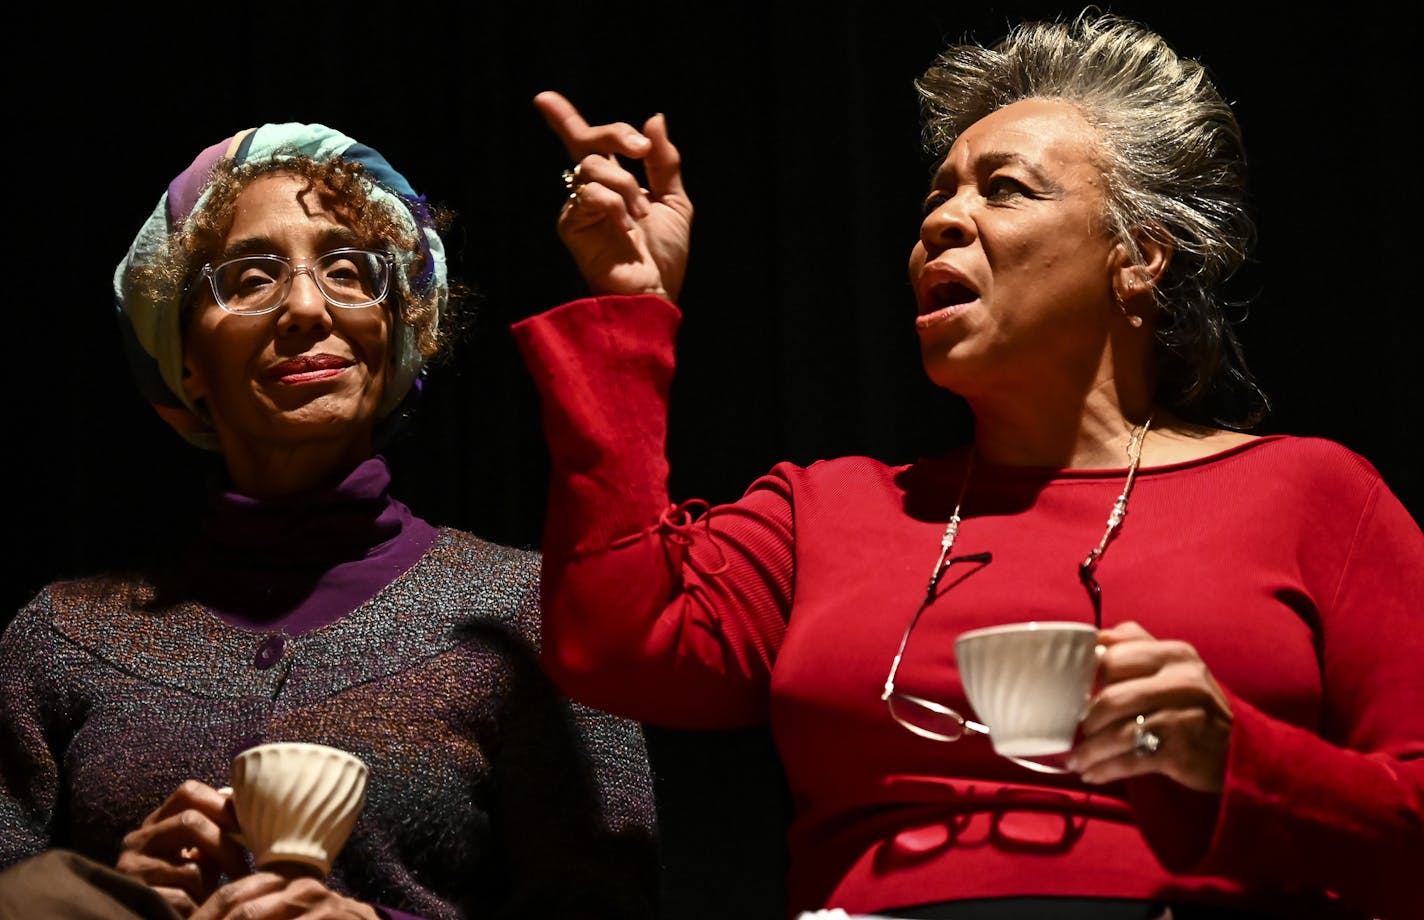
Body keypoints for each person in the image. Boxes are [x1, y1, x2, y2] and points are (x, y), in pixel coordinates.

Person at [512, 9, 1424, 920]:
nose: (943, 221)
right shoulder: (825, 509)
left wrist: (1239, 761)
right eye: (935, 199)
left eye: (1007, 189)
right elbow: (613, 646)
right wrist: (630, 309)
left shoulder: (1314, 496)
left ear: (1138, 257)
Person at [0, 122, 659, 920]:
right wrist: (111, 896)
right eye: (248, 280)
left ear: (399, 335)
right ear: (186, 363)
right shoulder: (62, 641)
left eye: (349, 272)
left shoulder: (526, 614)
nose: (308, 308)